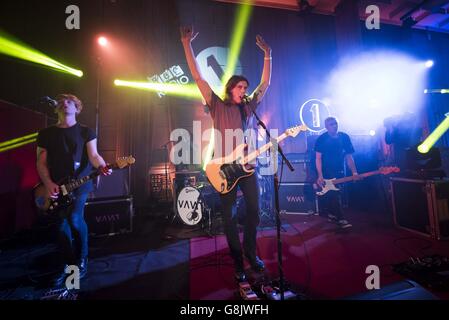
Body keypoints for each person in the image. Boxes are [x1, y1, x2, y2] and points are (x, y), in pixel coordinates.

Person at [180, 26, 271, 282]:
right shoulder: (218, 105)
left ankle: (251, 254)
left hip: (248, 166)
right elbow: (198, 77)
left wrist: (268, 54)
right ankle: (237, 262)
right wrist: (186, 44)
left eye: (245, 87)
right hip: (224, 169)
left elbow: (265, 84)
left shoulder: (248, 108)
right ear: (231, 88)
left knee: (254, 210)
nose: (244, 89)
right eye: (240, 86)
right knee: (229, 217)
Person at [36, 94, 111, 286]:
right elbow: (41, 162)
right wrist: (48, 183)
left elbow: (94, 156)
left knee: (75, 219)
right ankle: (70, 267)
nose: (64, 103)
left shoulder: (86, 131)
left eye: (69, 101)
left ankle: (82, 258)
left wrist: (103, 165)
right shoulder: (45, 134)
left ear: (77, 108)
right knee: (61, 226)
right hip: (56, 186)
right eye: (61, 101)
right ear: (56, 108)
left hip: (80, 183)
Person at [315, 117, 359, 229]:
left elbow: (349, 156)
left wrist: (354, 172)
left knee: (337, 192)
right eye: (331, 124)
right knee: (335, 192)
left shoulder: (344, 137)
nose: (334, 126)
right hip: (326, 170)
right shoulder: (322, 139)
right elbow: (318, 158)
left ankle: (332, 214)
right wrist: (320, 175)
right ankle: (341, 218)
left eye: (335, 123)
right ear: (326, 127)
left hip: (340, 169)